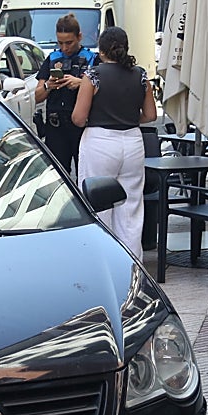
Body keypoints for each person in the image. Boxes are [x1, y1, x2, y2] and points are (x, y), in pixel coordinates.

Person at [71, 26, 156, 260]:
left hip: (99, 141)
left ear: (101, 50)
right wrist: (128, 119)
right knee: (131, 208)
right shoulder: (140, 75)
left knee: (98, 206)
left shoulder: (92, 76)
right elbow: (150, 116)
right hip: (132, 142)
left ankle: (103, 262)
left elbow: (78, 118)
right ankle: (132, 265)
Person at [34, 13, 97, 176]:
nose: (64, 48)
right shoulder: (53, 58)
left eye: (69, 42)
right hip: (56, 127)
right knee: (58, 176)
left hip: (82, 127)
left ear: (79, 37)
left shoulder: (91, 59)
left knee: (85, 175)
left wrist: (81, 84)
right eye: (60, 43)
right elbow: (37, 96)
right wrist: (49, 85)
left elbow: (104, 92)